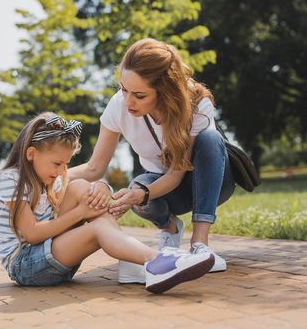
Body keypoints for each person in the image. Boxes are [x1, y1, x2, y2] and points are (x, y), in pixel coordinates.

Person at [0, 112, 215, 293]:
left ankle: (134, 262)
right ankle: (154, 260)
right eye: (57, 163)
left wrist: (102, 188)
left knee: (82, 187)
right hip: (25, 266)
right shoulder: (11, 180)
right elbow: (31, 235)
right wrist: (81, 212)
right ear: (31, 154)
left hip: (53, 258)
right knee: (96, 227)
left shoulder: (48, 179)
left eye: (66, 164)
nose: (62, 170)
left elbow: (85, 187)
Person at [68, 38, 235, 284]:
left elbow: (176, 175)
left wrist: (142, 193)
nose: (128, 101)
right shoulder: (119, 106)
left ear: (165, 91)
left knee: (210, 139)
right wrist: (38, 176)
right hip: (163, 185)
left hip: (210, 182)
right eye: (123, 89)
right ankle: (169, 231)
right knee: (138, 188)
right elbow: (94, 167)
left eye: (139, 95)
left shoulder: (197, 103)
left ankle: (200, 245)